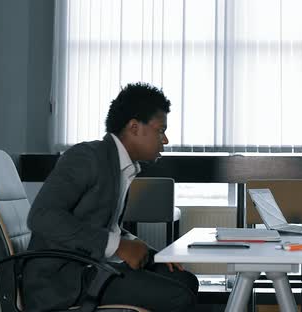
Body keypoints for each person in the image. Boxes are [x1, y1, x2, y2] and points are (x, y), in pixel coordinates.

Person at [24, 82, 198, 311]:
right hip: (61, 280)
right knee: (178, 297)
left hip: (91, 266)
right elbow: (41, 216)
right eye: (160, 130)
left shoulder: (120, 166)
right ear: (134, 127)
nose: (165, 140)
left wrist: (149, 252)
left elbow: (107, 227)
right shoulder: (86, 157)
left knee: (186, 280)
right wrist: (118, 246)